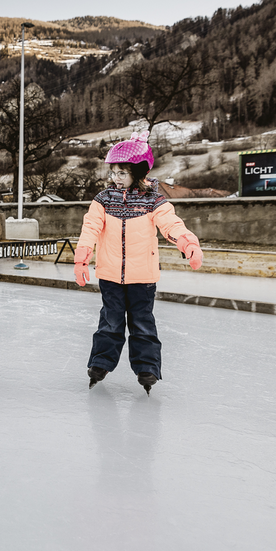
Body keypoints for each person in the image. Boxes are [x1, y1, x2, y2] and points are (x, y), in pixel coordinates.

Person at [73, 130, 203, 394]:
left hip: (142, 278)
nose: (115, 178)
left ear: (138, 171)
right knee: (110, 323)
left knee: (143, 324)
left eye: (122, 173)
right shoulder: (103, 200)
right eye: (113, 172)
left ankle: (147, 368)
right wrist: (82, 256)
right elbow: (90, 228)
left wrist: (187, 242)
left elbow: (171, 225)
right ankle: (100, 364)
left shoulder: (153, 200)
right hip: (110, 276)